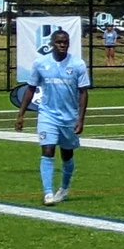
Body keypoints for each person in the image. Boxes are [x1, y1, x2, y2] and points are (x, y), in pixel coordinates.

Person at [14, 29, 90, 206]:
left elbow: (83, 92)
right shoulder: (41, 63)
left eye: (65, 42)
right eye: (58, 42)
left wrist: (81, 119)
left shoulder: (78, 65)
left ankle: (63, 188)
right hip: (48, 115)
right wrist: (21, 114)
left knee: (67, 154)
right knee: (47, 150)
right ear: (52, 44)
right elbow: (31, 88)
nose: (62, 45)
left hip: (69, 116)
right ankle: (48, 193)